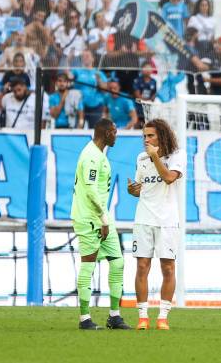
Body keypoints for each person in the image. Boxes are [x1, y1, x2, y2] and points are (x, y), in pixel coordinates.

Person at [71, 118, 131, 330]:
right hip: (89, 219)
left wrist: (105, 218)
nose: (116, 135)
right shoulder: (91, 157)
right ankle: (84, 318)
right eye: (114, 131)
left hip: (102, 217)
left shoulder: (99, 154)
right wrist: (103, 219)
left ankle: (114, 316)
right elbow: (90, 190)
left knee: (118, 262)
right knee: (88, 265)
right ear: (105, 133)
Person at [127, 118, 187, 330]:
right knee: (142, 266)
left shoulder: (177, 156)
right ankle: (143, 316)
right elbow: (141, 187)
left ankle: (163, 317)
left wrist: (155, 156)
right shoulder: (141, 158)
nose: (146, 139)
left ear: (162, 135)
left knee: (168, 268)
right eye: (144, 136)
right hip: (143, 219)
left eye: (150, 135)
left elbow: (169, 178)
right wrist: (133, 190)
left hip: (168, 221)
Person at [71, 49, 109, 128]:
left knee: (96, 130)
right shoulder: (76, 71)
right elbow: (68, 77)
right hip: (80, 105)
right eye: (83, 56)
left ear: (93, 58)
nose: (85, 58)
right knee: (78, 128)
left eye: (87, 56)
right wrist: (68, 61)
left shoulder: (99, 73)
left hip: (96, 105)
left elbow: (105, 90)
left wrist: (99, 80)